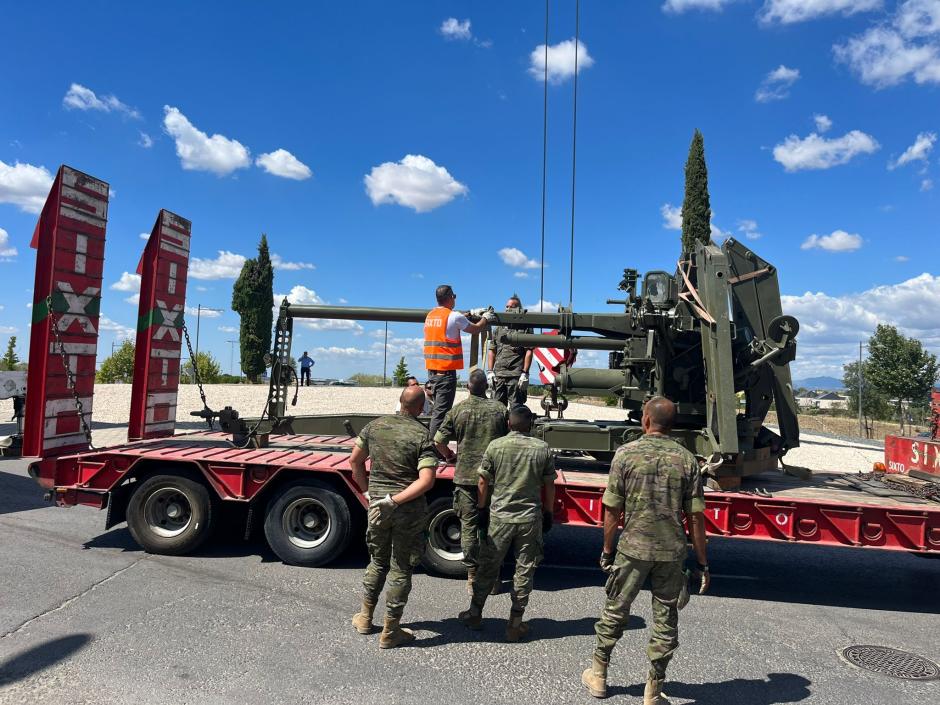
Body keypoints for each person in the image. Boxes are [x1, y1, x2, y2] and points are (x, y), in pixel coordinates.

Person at [580, 396, 709, 703]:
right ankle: (653, 690)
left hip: (633, 549)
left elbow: (612, 510)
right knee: (665, 622)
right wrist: (703, 563)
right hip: (671, 552)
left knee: (614, 611)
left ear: (646, 421)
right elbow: (695, 517)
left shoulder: (625, 454)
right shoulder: (687, 460)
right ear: (672, 424)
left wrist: (607, 551)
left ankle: (598, 675)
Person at [349, 385, 438, 649]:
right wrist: (395, 500)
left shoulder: (374, 427)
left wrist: (367, 492)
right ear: (422, 408)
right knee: (400, 568)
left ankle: (365, 618)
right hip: (407, 511)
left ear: (399, 402)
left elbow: (355, 461)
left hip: (376, 507)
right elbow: (427, 481)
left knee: (377, 562)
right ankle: (390, 630)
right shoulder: (422, 436)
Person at [458, 405, 555, 642]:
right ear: (530, 424)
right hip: (529, 519)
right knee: (524, 570)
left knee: (488, 567)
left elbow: (483, 481)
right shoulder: (542, 449)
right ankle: (515, 623)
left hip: (500, 517)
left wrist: (482, 509)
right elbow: (549, 485)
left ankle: (475, 613)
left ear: (509, 424)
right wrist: (549, 513)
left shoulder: (496, 446)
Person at [433, 369, 509, 593]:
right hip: (494, 478)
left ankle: (473, 575)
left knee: (468, 527)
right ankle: (493, 577)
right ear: (487, 387)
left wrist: (449, 456)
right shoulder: (499, 409)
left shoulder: (458, 410)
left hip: (466, 478)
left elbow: (438, 440)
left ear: (468, 386)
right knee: (494, 528)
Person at [424, 284, 493, 437]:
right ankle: (433, 449)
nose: (455, 299)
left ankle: (435, 446)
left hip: (433, 372)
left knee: (438, 411)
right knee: (441, 414)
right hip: (446, 374)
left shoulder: (431, 315)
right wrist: (485, 318)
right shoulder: (454, 317)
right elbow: (475, 328)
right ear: (450, 297)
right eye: (454, 296)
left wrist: (469, 313)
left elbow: (453, 318)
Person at [487, 294, 533, 407]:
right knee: (496, 408)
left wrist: (525, 373)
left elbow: (529, 351)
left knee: (516, 409)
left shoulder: (525, 327)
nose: (508, 309)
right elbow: (492, 350)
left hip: (515, 376)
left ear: (518, 308)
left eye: (511, 307)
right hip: (499, 375)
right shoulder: (499, 328)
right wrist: (490, 371)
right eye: (506, 306)